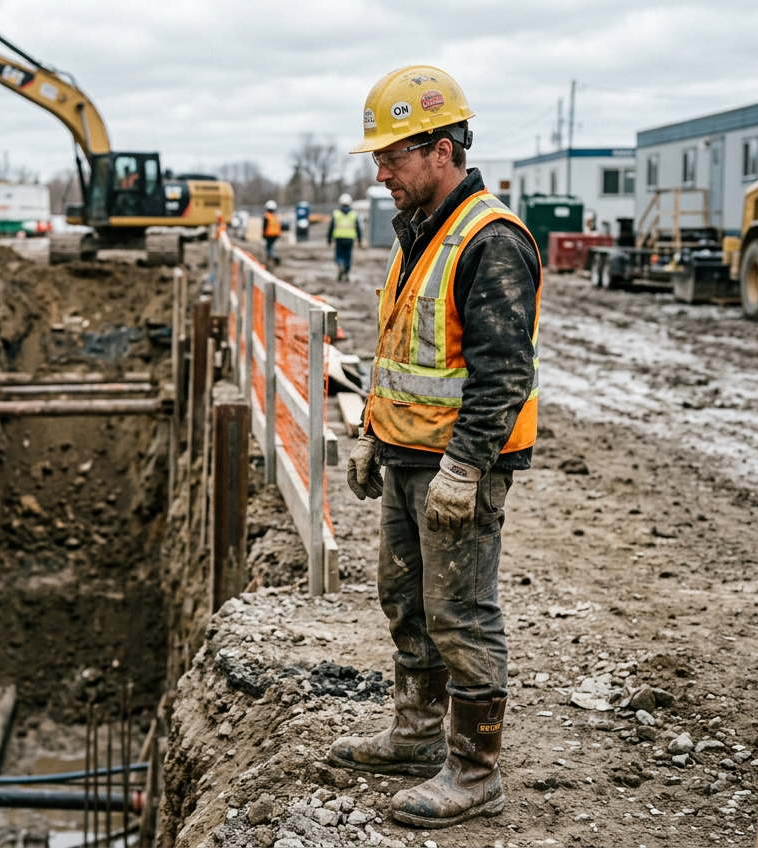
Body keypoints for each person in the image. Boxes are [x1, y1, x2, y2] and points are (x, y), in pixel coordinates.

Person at [328, 65, 541, 830]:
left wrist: (466, 466)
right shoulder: (421, 233)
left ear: (442, 149)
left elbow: (502, 371)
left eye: (392, 157)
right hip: (406, 456)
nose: (380, 172)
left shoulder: (490, 239)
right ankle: (418, 734)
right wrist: (369, 435)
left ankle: (475, 771)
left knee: (462, 612)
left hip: (458, 467)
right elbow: (403, 353)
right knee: (407, 600)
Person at [327, 193, 360, 281]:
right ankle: (346, 272)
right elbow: (358, 228)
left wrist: (329, 239)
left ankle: (340, 264)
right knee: (348, 256)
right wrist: (360, 240)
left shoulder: (336, 213)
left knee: (339, 255)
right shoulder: (353, 214)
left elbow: (331, 227)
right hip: (350, 239)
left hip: (339, 238)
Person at [262, 199, 282, 266]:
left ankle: (273, 257)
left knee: (269, 247)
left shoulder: (266, 216)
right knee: (271, 246)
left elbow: (264, 226)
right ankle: (271, 256)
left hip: (269, 234)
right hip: (275, 234)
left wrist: (263, 234)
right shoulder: (275, 216)